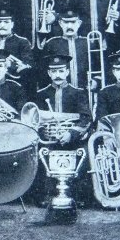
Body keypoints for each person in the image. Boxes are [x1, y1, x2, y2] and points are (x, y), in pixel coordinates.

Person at [31, 54, 91, 206]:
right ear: (49, 73)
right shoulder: (41, 94)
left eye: (61, 71)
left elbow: (86, 118)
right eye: (54, 71)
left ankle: (78, 195)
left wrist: (71, 134)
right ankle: (46, 195)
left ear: (67, 72)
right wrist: (43, 131)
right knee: (38, 152)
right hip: (49, 140)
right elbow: (35, 119)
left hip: (72, 140)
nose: (57, 75)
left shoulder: (78, 93)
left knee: (84, 153)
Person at [42, 9, 89, 90]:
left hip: (85, 90)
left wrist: (95, 82)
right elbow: (44, 71)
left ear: (79, 23)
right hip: (61, 92)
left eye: (73, 22)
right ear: (60, 23)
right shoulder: (51, 43)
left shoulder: (88, 42)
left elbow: (96, 66)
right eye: (66, 22)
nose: (69, 26)